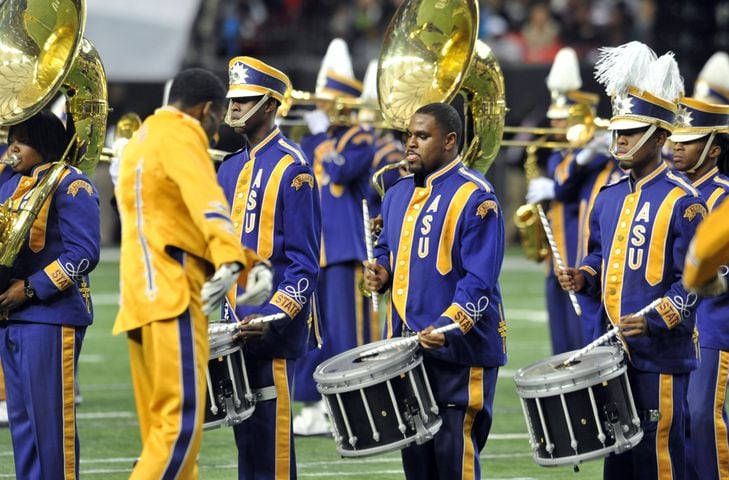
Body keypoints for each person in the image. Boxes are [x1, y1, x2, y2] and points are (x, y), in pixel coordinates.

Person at [112, 68, 269, 479]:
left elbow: (174, 223)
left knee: (162, 436)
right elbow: (208, 205)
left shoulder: (141, 140)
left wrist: (246, 261)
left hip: (138, 303)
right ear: (207, 110)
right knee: (179, 430)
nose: (216, 131)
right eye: (217, 119)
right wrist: (234, 262)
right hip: (174, 296)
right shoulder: (183, 135)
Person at [558, 42, 705, 479]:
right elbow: (602, 254)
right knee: (617, 459)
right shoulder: (609, 197)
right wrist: (583, 276)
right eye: (617, 131)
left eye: (629, 132)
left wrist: (656, 317)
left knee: (657, 458)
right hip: (613, 352)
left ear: (659, 137)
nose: (618, 140)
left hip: (660, 354)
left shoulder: (684, 201)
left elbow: (697, 279)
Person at [364, 102, 507, 480]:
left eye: (422, 136)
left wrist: (446, 328)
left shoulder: (476, 196)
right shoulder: (395, 193)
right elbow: (389, 249)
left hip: (460, 353)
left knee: (453, 460)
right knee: (417, 464)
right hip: (407, 353)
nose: (410, 143)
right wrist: (381, 270)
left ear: (449, 141)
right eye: (408, 135)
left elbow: (480, 281)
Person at [216, 56, 321, 479]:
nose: (235, 107)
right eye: (233, 99)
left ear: (270, 105)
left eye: (246, 100)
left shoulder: (293, 167)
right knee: (247, 444)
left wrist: (274, 316)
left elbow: (304, 263)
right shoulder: (229, 167)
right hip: (232, 325)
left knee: (273, 449)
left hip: (273, 329)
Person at [0, 109, 100, 479]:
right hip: (11, 319)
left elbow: (84, 253)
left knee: (50, 427)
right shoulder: (9, 183)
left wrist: (28, 288)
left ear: (43, 146)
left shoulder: (71, 184)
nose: (12, 148)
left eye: (21, 141)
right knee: (22, 426)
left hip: (50, 316)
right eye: (11, 139)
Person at [293, 38, 376, 435]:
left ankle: (350, 405)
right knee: (314, 332)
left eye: (328, 100)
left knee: (347, 334)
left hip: (345, 250)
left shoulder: (361, 138)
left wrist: (324, 138)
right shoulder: (312, 140)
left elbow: (342, 171)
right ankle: (313, 403)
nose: (320, 107)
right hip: (316, 248)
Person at [524, 46, 617, 352]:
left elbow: (564, 185)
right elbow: (561, 178)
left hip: (584, 260)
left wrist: (593, 149)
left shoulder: (599, 155)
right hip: (559, 258)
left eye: (563, 120)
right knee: (561, 344)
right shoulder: (562, 155)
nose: (556, 126)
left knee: (584, 342)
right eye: (556, 120)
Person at [670, 97, 729, 480]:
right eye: (675, 139)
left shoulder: (724, 195)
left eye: (688, 141)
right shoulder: (671, 193)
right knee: (675, 423)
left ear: (713, 149)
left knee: (703, 418)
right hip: (672, 325)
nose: (677, 147)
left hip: (712, 324)